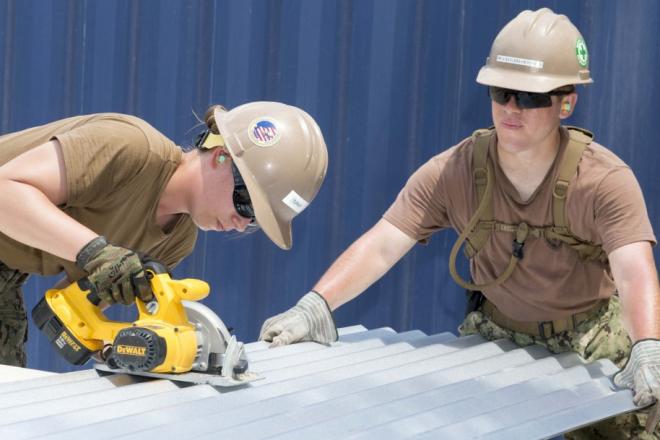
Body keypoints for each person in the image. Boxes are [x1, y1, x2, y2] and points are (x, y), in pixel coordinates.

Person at [259, 8, 659, 439]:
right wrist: (315, 305)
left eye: (529, 97)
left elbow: (634, 272)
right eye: (501, 91)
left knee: (635, 424)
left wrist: (647, 348)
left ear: (566, 102)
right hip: (497, 335)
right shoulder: (456, 170)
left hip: (590, 337)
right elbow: (383, 244)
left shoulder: (604, 180)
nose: (510, 108)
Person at [0, 101, 328, 368]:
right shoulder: (131, 148)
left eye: (256, 220)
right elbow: (5, 191)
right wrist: (95, 253)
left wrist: (124, 346)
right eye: (247, 205)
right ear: (222, 156)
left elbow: (68, 306)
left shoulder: (177, 239)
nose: (242, 224)